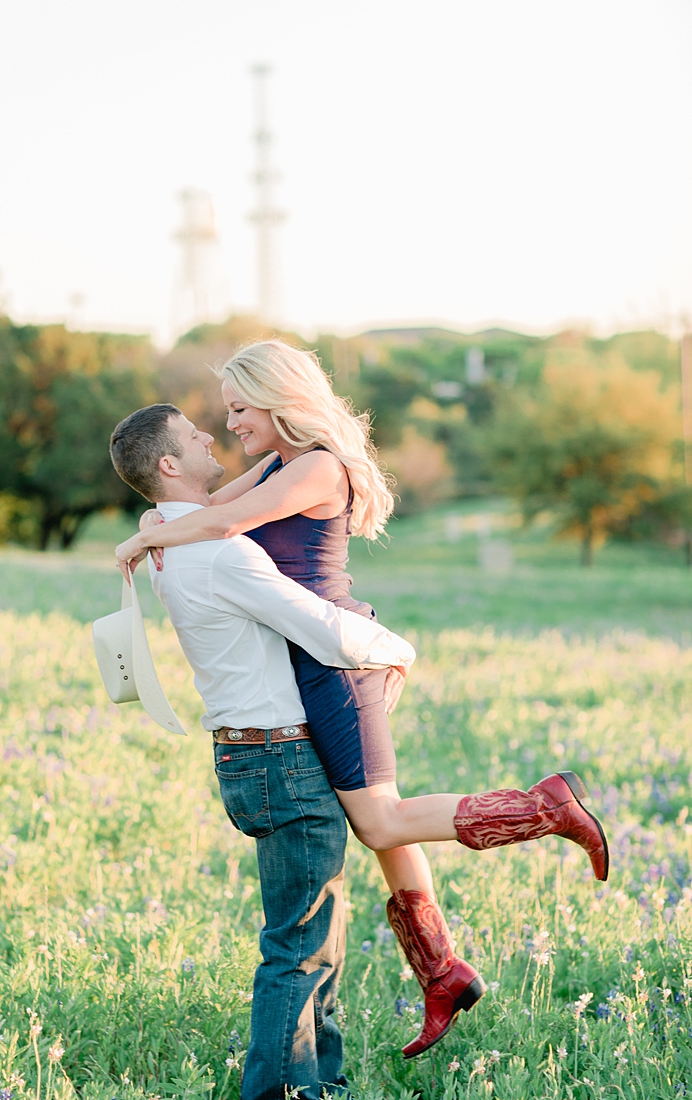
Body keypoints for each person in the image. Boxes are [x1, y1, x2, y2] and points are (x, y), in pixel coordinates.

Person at [114, 344, 609, 1060]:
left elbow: (219, 527)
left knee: (379, 822)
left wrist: (140, 543)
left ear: (278, 398)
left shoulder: (316, 465)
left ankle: (543, 808)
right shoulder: (280, 464)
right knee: (381, 820)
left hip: (336, 658)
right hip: (313, 654)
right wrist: (151, 529)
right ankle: (440, 972)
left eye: (240, 408)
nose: (230, 423)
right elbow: (209, 506)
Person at [109, 402, 416, 1100]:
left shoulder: (172, 546)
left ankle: (325, 1084)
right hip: (278, 752)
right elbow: (313, 622)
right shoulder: (217, 551)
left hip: (251, 751)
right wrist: (398, 647)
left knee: (319, 926)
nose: (211, 437)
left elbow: (227, 513)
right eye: (194, 437)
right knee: (299, 941)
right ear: (170, 465)